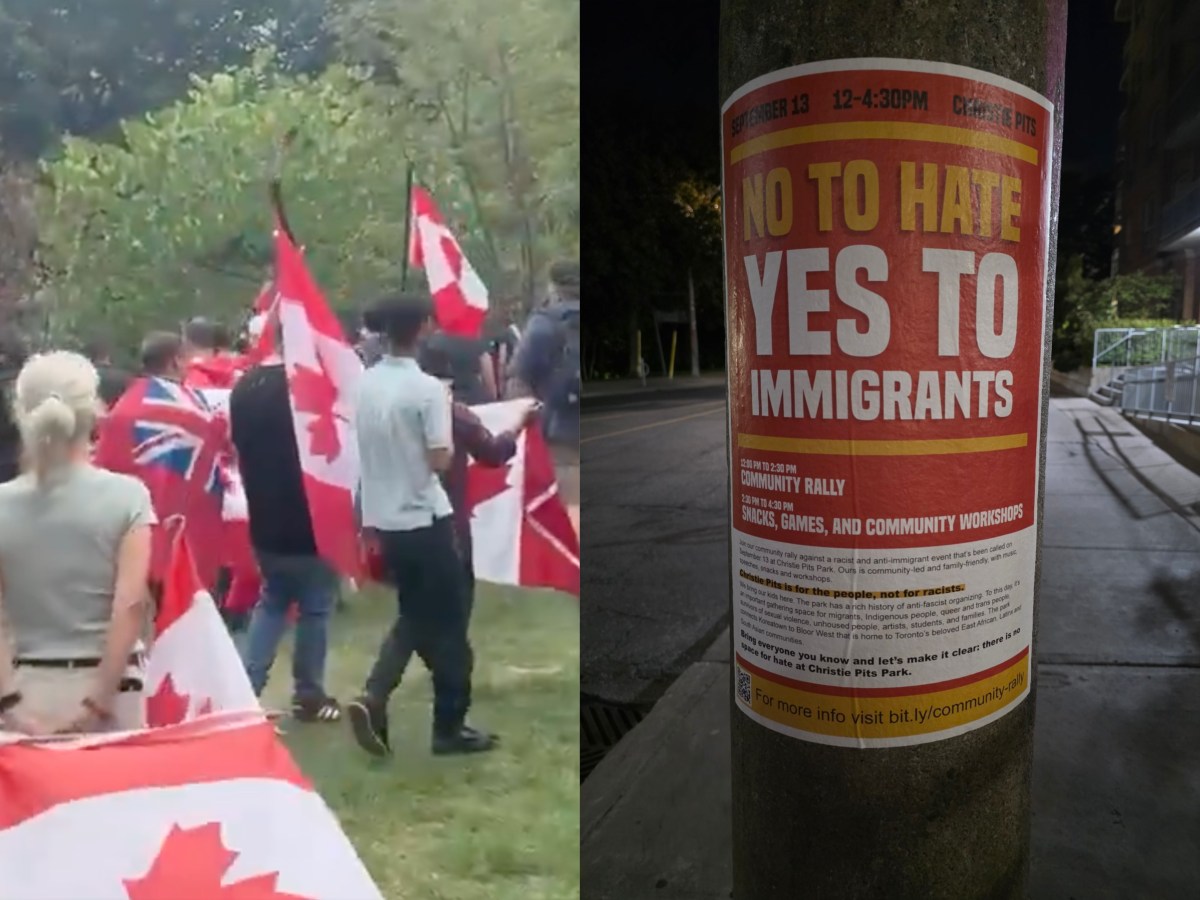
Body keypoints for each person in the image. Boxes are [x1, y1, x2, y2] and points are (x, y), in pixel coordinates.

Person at [347, 292, 495, 757]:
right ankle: (447, 727)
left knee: (415, 613)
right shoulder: (430, 390)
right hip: (426, 517)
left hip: (382, 518)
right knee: (449, 626)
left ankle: (376, 695)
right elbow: (439, 458)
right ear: (425, 328)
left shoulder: (365, 383)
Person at [0, 351, 153, 736]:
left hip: (26, 689)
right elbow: (130, 605)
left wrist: (7, 702)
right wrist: (98, 700)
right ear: (94, 412)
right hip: (114, 687)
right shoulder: (128, 497)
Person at [228, 352, 342, 724]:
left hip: (264, 514)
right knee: (315, 607)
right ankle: (309, 692)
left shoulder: (245, 386)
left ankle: (244, 689)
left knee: (273, 600)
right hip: (311, 517)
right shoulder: (311, 386)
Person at [513, 260, 581, 535]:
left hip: (561, 419)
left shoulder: (546, 321)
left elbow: (523, 370)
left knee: (568, 483)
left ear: (554, 285)